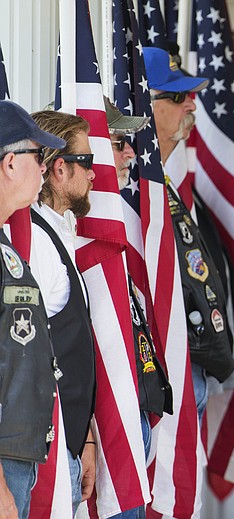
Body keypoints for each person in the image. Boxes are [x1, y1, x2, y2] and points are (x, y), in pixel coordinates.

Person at [142, 46, 234, 420]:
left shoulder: (161, 183)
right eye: (179, 97)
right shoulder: (130, 189)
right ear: (145, 103)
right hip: (160, 371)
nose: (192, 107)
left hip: (189, 362)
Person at [28, 110, 97, 515]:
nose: (94, 174)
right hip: (46, 455)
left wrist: (85, 436)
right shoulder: (36, 241)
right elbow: (34, 349)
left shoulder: (58, 232)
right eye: (86, 162)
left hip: (69, 440)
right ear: (58, 168)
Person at [106, 96, 172, 519]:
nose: (131, 152)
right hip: (103, 439)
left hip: (133, 419)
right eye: (116, 142)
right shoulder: (73, 240)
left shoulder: (110, 230)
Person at [0, 100, 64, 519]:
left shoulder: (6, 246)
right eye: (38, 157)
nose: (44, 169)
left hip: (18, 454)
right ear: (9, 163)